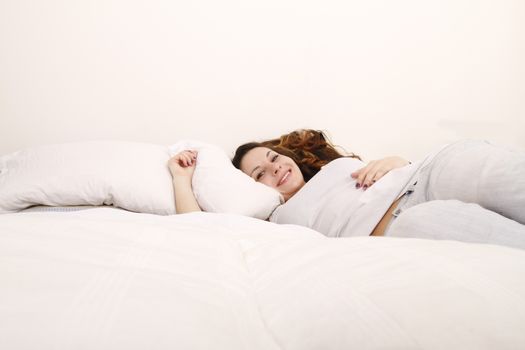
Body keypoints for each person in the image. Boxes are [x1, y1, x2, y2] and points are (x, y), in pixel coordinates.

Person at [169, 129, 525, 249]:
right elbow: (200, 228)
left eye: (274, 157)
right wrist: (181, 177)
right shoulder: (273, 219)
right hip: (406, 222)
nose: (275, 167)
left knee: (484, 169)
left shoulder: (330, 168)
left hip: (428, 173)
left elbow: (398, 170)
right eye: (260, 173)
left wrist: (397, 161)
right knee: (434, 222)